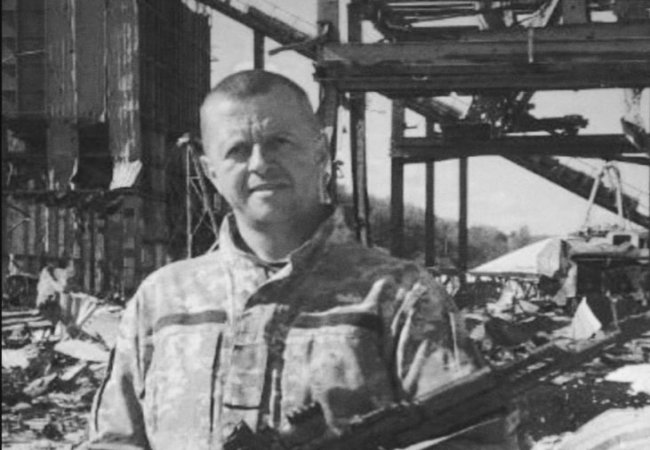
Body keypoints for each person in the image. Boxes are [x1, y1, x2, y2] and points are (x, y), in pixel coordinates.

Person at [88, 70, 519, 450]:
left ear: (320, 150)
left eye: (279, 142)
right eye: (237, 150)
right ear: (210, 170)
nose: (260, 163)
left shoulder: (400, 296)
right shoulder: (162, 300)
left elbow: (476, 439)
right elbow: (114, 440)